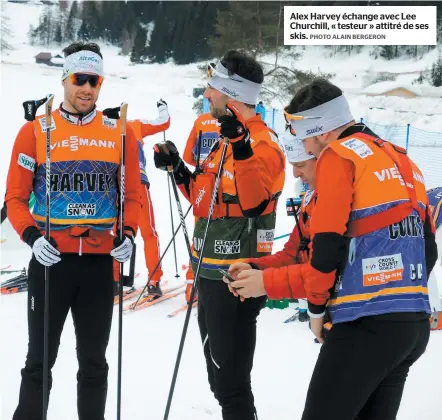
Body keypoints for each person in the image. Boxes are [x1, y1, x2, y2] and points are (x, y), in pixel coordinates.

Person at [227, 79, 438, 420]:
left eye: (304, 137)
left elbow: (327, 248)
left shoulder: (339, 155)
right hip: (410, 324)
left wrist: (316, 311)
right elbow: (428, 250)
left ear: (321, 130)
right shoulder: (402, 159)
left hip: (367, 324)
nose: (305, 148)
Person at [5, 41, 141, 420]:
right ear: (65, 78)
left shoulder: (120, 133)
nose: (87, 89)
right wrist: (32, 238)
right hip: (52, 266)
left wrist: (128, 234)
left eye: (94, 82)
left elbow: (132, 196)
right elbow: (15, 198)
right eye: (80, 79)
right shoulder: (34, 131)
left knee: (95, 364)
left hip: (99, 267)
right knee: (39, 362)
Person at [153, 50, 285, 420]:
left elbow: (255, 203)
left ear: (231, 94)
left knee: (231, 385)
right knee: (220, 381)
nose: (207, 95)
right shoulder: (221, 141)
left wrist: (241, 147)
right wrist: (178, 167)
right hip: (209, 274)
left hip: (236, 278)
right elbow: (204, 199)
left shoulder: (263, 145)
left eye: (212, 88)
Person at [225, 132, 316, 323]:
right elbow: (293, 254)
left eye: (300, 165)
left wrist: (265, 282)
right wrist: (254, 266)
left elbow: (326, 273)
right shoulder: (311, 199)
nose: (295, 174)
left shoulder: (341, 199)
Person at [112, 99, 171, 297]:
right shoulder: (134, 124)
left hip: (123, 183)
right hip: (130, 182)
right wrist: (162, 107)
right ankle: (151, 280)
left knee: (119, 233)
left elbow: (164, 123)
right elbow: (164, 121)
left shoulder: (109, 125)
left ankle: (116, 280)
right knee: (147, 232)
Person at [182, 112, 221, 302]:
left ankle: (192, 285)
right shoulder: (236, 119)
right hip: (225, 184)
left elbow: (187, 156)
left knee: (199, 233)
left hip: (203, 183)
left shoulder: (201, 120)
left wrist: (203, 164)